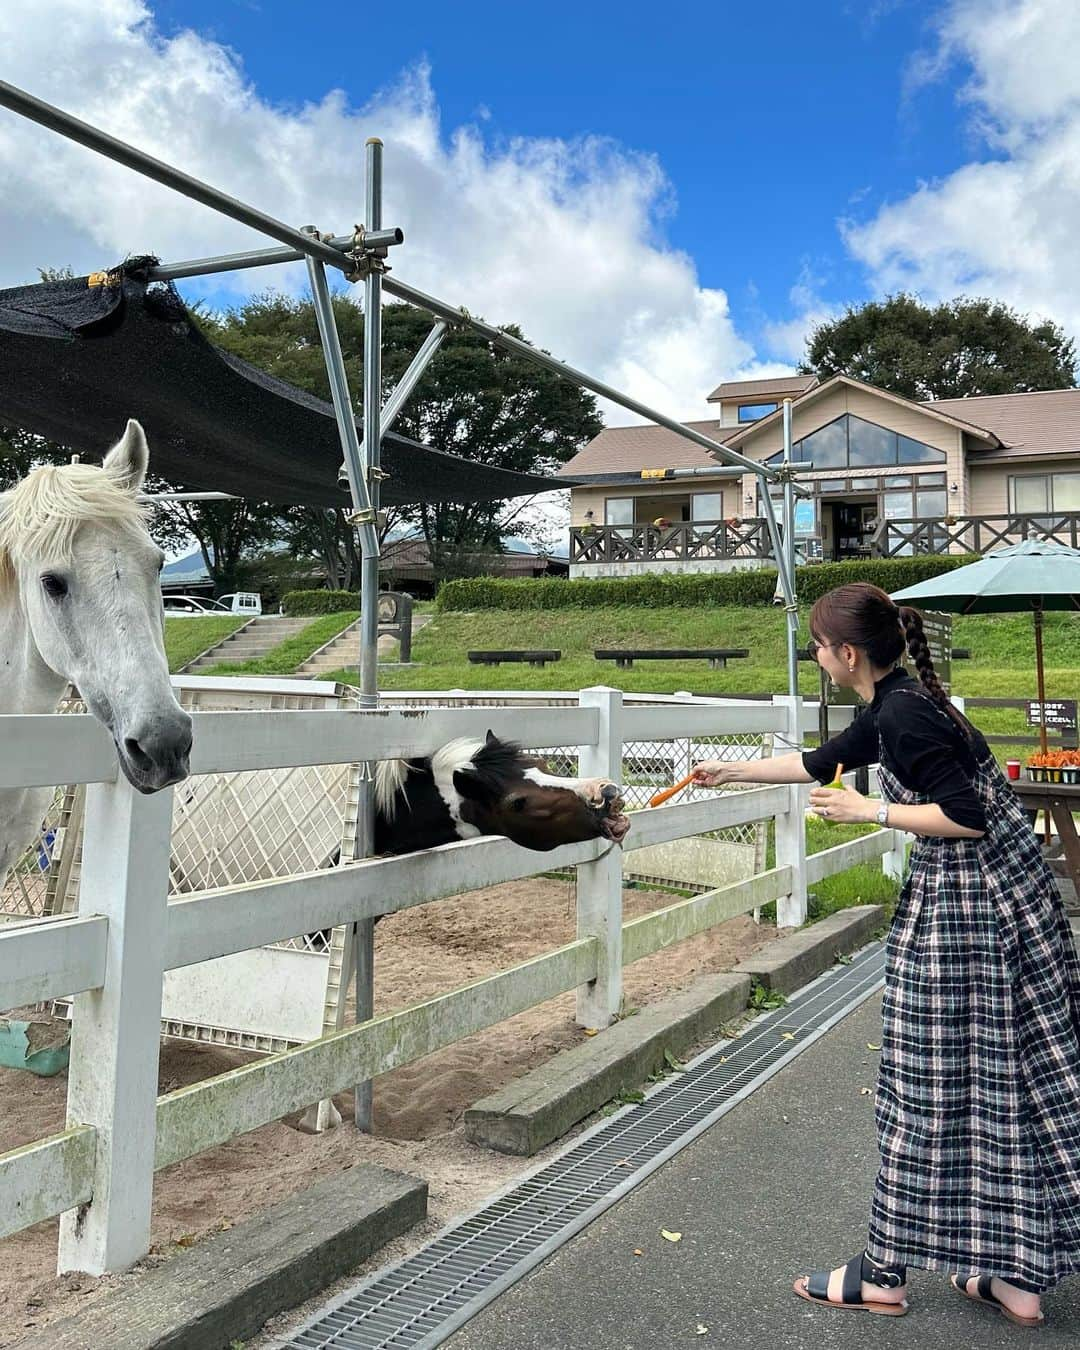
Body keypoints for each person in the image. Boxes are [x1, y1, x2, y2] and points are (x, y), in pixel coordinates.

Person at [692, 582, 1080, 1327]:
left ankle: (883, 1271)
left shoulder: (902, 714)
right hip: (1006, 907)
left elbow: (963, 818)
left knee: (922, 1086)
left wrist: (867, 809)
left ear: (847, 653)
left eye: (817, 643)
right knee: (1008, 1078)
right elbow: (819, 762)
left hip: (968, 914)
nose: (814, 654)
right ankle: (1019, 1277)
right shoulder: (898, 704)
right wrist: (730, 772)